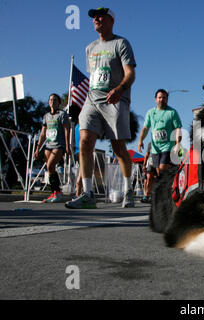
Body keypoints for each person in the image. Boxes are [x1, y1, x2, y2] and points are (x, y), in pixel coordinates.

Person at [65, 7, 137, 209]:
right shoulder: (90, 48)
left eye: (100, 16)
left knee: (119, 148)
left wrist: (120, 89)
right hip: (92, 100)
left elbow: (130, 73)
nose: (96, 19)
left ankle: (128, 189)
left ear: (111, 20)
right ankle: (88, 194)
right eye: (94, 17)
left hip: (115, 100)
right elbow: (94, 76)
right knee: (85, 141)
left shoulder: (121, 43)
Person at [34, 94, 71, 203]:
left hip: (59, 145)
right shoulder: (46, 116)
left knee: (51, 165)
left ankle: (57, 192)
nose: (52, 101)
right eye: (50, 99)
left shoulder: (62, 114)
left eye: (55, 100)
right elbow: (42, 134)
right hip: (48, 145)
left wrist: (68, 146)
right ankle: (55, 192)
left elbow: (66, 130)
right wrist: (37, 148)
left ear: (59, 102)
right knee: (50, 169)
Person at [137, 89, 182, 177]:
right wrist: (140, 141)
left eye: (164, 98)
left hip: (168, 147)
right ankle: (171, 175)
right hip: (155, 148)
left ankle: (175, 167)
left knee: (162, 168)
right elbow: (145, 128)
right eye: (159, 97)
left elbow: (178, 129)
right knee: (158, 173)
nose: (161, 99)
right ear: (155, 99)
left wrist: (177, 144)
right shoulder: (150, 113)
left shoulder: (172, 112)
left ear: (167, 99)